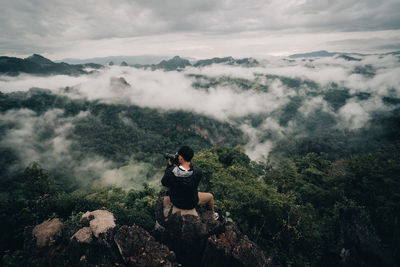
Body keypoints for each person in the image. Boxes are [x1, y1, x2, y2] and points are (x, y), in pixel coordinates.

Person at [161, 145, 218, 220]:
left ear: (180, 158)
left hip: (176, 201)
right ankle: (213, 215)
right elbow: (189, 170)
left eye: (177, 155)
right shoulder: (198, 171)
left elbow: (164, 183)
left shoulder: (172, 172)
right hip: (192, 202)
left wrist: (170, 166)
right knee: (210, 196)